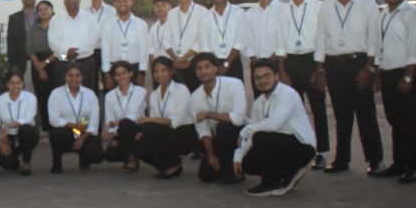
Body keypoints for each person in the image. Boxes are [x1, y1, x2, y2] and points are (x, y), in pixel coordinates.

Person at [313, 0, 384, 175]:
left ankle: (375, 160)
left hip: (359, 62)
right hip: (334, 64)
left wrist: (370, 67)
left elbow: (374, 36)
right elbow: (320, 38)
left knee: (366, 114)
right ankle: (341, 160)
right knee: (341, 115)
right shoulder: (326, 5)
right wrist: (319, 69)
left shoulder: (367, 3)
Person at [234, 59, 316, 196]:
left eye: (267, 76)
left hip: (302, 147)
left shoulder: (287, 94)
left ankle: (271, 184)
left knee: (261, 136)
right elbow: (252, 134)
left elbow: (273, 124)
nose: (262, 81)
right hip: (280, 144)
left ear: (276, 76)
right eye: (257, 78)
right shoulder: (258, 103)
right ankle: (288, 172)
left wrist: (246, 130)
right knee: (246, 164)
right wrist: (238, 157)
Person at [373, 0, 416, 184]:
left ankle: (414, 167)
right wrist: (377, 75)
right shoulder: (384, 13)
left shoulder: (413, 14)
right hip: (388, 73)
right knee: (395, 120)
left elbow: (415, 48)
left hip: (406, 73)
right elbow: (380, 45)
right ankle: (399, 162)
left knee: (410, 121)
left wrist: (409, 77)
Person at [276, 0, 329, 170]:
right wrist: (282, 71)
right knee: (293, 110)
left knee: (318, 109)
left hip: (312, 60)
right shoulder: (283, 10)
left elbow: (322, 38)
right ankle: (299, 150)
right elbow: (280, 41)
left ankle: (321, 152)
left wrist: (319, 69)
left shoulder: (318, 7)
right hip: (291, 62)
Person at [132, 56, 198, 179]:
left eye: (163, 70)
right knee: (137, 146)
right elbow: (154, 121)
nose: (159, 74)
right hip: (164, 132)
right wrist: (142, 132)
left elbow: (176, 121)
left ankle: (170, 163)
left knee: (147, 127)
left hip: (183, 133)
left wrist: (148, 120)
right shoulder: (154, 95)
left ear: (171, 71)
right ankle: (171, 164)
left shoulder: (181, 89)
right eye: (156, 71)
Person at [189, 52, 246, 184]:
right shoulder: (195, 96)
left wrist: (208, 114)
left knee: (224, 127)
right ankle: (224, 164)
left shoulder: (235, 84)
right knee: (205, 175)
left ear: (215, 68)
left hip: (238, 134)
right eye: (199, 68)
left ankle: (233, 171)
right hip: (217, 137)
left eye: (207, 67)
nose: (203, 71)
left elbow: (238, 118)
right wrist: (211, 155)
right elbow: (203, 129)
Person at [48, 63, 103, 173]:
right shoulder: (56, 94)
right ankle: (57, 162)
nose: (74, 78)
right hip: (66, 131)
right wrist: (75, 126)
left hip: (84, 131)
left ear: (82, 78)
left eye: (77, 75)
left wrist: (82, 139)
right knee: (56, 133)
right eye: (70, 75)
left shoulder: (90, 94)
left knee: (97, 156)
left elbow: (94, 121)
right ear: (65, 77)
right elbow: (54, 119)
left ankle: (84, 157)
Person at [48, 0, 101, 91]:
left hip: (85, 61)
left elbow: (94, 39)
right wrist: (67, 52)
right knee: (62, 95)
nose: (70, 1)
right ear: (64, 0)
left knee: (87, 95)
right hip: (63, 60)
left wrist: (77, 52)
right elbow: (52, 42)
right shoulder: (56, 19)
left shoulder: (89, 18)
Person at [0, 69, 40, 175]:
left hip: (28, 134)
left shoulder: (30, 98)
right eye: (12, 83)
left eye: (18, 83)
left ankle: (26, 162)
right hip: (9, 137)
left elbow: (29, 118)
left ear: (22, 84)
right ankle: (15, 161)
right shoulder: (0, 100)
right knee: (6, 163)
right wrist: (0, 144)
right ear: (7, 84)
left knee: (26, 129)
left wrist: (8, 125)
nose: (15, 86)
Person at [245, 0, 286, 96]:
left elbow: (286, 36)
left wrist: (274, 57)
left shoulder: (284, 9)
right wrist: (253, 57)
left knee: (279, 98)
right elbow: (246, 38)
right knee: (259, 99)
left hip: (278, 62)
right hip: (256, 63)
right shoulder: (249, 13)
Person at [102, 61, 147, 172]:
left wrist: (114, 123)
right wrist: (112, 136)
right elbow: (109, 118)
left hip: (137, 130)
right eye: (117, 74)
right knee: (109, 155)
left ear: (130, 74)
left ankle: (132, 159)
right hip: (120, 131)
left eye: (124, 73)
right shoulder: (109, 96)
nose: (121, 76)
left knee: (126, 124)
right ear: (114, 77)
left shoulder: (140, 91)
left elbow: (135, 116)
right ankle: (129, 152)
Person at [198, 0, 245, 82]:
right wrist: (212, 66)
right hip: (213, 65)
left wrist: (227, 63)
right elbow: (205, 46)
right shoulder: (205, 17)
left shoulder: (239, 13)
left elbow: (240, 42)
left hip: (234, 62)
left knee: (235, 91)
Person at [101, 0, 149, 89]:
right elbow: (105, 50)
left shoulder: (141, 24)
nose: (122, 3)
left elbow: (144, 50)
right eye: (119, 1)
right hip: (114, 70)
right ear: (114, 3)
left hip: (134, 69)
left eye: (125, 0)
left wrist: (142, 73)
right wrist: (106, 74)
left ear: (131, 2)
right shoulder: (108, 25)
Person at [166, 0, 208, 91]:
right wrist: (176, 59)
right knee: (178, 96)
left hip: (194, 62)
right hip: (175, 63)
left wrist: (185, 58)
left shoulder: (202, 12)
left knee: (196, 94)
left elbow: (202, 39)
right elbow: (166, 39)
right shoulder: (171, 14)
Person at [27, 0, 55, 130]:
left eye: (46, 9)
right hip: (36, 63)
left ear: (52, 10)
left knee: (54, 95)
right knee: (41, 95)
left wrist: (46, 63)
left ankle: (56, 126)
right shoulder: (33, 29)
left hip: (54, 63)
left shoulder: (58, 27)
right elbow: (29, 50)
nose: (43, 12)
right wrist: (39, 67)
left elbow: (60, 50)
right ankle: (46, 127)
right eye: (40, 10)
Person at [84, 0, 115, 93]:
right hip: (90, 52)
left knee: (110, 84)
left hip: (108, 51)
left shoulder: (112, 11)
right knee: (91, 84)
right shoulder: (84, 13)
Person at [5, 0, 37, 84]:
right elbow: (11, 44)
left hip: (42, 63)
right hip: (22, 63)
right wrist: (13, 66)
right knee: (24, 90)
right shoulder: (14, 18)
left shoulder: (43, 15)